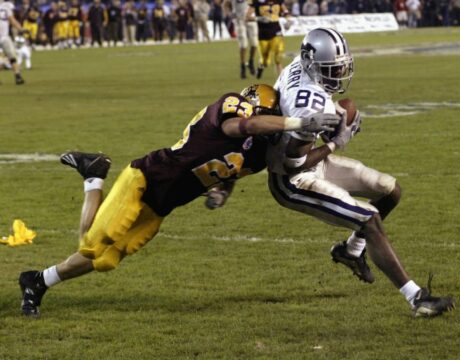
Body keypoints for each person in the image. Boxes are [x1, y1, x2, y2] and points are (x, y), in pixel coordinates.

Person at [18, 84, 340, 318]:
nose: (274, 126)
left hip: (162, 205)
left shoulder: (256, 154)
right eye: (272, 117)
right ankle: (93, 174)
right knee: (92, 243)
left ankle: (37, 280)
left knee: (105, 260)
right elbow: (244, 125)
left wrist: (335, 143)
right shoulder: (232, 106)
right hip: (145, 180)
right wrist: (299, 123)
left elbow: (237, 174)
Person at [266, 28, 455, 317]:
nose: (340, 72)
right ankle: (417, 298)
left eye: (341, 66)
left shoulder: (301, 68)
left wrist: (335, 123)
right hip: (293, 179)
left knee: (390, 190)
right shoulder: (308, 103)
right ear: (313, 63)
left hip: (310, 160)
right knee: (370, 219)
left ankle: (351, 251)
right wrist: (335, 142)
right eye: (333, 68)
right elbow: (296, 163)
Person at [251, 0, 290, 79]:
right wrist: (259, 18)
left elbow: (285, 12)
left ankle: (282, 81)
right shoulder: (257, 2)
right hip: (263, 34)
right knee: (265, 62)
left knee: (278, 58)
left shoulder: (278, 1)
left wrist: (288, 20)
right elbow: (247, 17)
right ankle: (261, 66)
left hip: (276, 32)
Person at [224, 0, 258, 78]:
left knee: (254, 44)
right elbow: (225, 3)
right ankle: (242, 66)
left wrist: (250, 14)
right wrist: (228, 13)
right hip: (239, 20)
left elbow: (255, 3)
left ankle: (251, 62)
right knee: (243, 45)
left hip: (250, 19)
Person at [0, 0, 26, 84]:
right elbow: (12, 20)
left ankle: (18, 76)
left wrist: (20, 29)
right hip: (4, 37)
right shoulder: (6, 6)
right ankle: (17, 76)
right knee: (11, 57)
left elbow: (12, 20)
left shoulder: (6, 6)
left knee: (12, 57)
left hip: (4, 36)